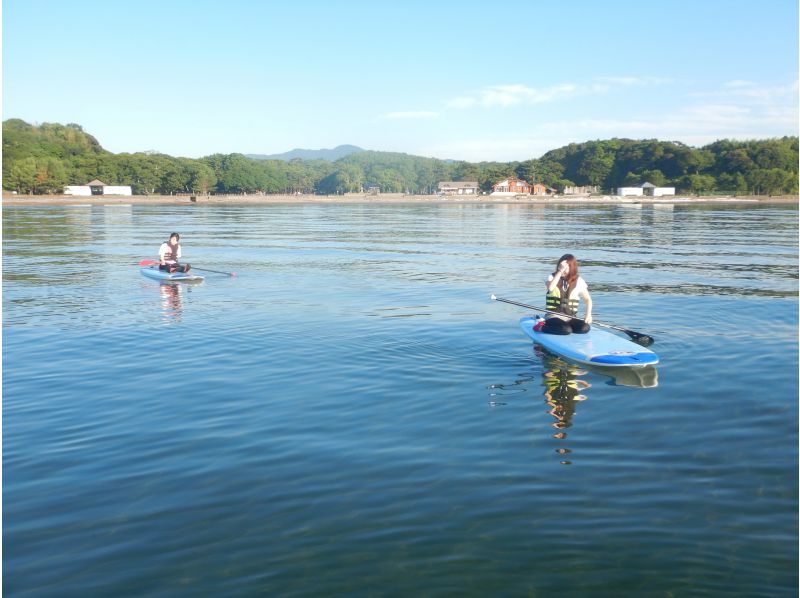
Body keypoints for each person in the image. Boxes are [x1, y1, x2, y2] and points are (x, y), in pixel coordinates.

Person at [541, 254, 592, 335]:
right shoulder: (551, 277)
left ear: (572, 268)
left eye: (565, 268)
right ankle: (542, 327)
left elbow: (587, 299)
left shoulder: (579, 281)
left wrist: (588, 314)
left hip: (570, 317)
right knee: (566, 330)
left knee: (585, 328)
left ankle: (565, 327)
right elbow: (550, 288)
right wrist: (560, 271)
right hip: (553, 316)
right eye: (561, 267)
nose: (563, 270)